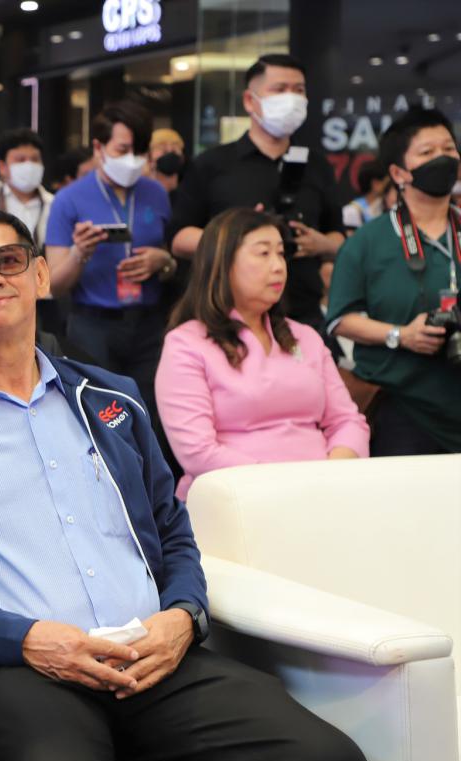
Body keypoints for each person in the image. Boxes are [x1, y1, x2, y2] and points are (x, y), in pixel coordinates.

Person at [0, 207, 376, 761]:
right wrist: (24, 640)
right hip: (20, 668)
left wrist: (183, 617)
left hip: (152, 653)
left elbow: (173, 530)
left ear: (40, 276)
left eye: (7, 261)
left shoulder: (110, 397)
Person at [156, 208, 369, 499]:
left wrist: (328, 478)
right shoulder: (186, 344)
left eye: (281, 253)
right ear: (222, 263)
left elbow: (348, 421)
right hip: (237, 500)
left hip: (322, 494)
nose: (278, 266)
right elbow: (197, 451)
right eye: (263, 253)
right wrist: (284, 487)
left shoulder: (304, 336)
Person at [169, 54, 345, 329]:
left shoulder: (317, 165)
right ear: (250, 101)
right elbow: (179, 238)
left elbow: (339, 237)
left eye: (298, 90)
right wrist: (236, 240)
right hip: (228, 316)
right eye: (279, 89)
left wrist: (319, 244)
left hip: (303, 314)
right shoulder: (212, 164)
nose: (291, 98)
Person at [327, 106, 461, 456]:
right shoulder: (367, 242)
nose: (443, 158)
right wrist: (401, 335)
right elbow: (340, 320)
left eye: (449, 148)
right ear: (399, 173)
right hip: (402, 408)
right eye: (427, 152)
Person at [44, 100, 176, 427]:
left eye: (139, 151)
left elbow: (170, 258)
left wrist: (164, 261)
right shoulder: (68, 199)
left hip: (148, 323)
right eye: (123, 149)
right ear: (98, 147)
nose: (132, 159)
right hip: (93, 324)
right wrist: (79, 253)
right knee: (101, 416)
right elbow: (53, 285)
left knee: (151, 415)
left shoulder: (156, 193)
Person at [0, 129, 53, 246]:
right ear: (2, 167)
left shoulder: (55, 205)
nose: (29, 165)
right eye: (20, 160)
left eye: (34, 159)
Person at [342, 159, 390, 231]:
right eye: (388, 183)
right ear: (375, 184)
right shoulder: (352, 211)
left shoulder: (387, 207)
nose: (391, 188)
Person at [148, 128, 186, 195]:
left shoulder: (189, 192)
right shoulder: (144, 191)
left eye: (174, 150)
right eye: (164, 150)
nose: (169, 151)